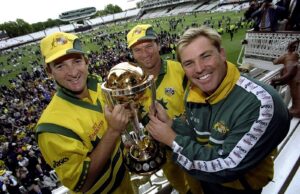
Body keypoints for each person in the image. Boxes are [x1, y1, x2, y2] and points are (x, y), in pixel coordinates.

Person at [146, 26, 290, 194]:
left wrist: (172, 140)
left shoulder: (261, 103)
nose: (199, 69)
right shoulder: (192, 92)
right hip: (206, 180)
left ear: (222, 54)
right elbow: (198, 136)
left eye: (205, 56)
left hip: (240, 188)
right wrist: (172, 124)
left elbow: (227, 166)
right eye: (189, 63)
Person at [35, 32, 133, 194]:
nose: (72, 72)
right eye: (60, 66)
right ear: (49, 72)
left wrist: (123, 145)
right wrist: (113, 131)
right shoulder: (51, 127)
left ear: (87, 61)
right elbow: (82, 183)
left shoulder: (102, 88)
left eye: (77, 61)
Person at [127, 24, 202, 194]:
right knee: (181, 187)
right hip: (161, 151)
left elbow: (200, 109)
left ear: (158, 45)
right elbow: (136, 117)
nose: (145, 53)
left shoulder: (180, 70)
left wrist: (174, 124)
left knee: (199, 186)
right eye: (138, 50)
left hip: (188, 143)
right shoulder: (131, 83)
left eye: (148, 46)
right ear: (132, 54)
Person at [271, 39, 300, 117]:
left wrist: (276, 80)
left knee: (296, 93)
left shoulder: (288, 56)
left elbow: (289, 75)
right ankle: (295, 108)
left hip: (295, 77)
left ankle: (297, 109)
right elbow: (287, 78)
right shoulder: (294, 56)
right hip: (294, 78)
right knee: (294, 93)